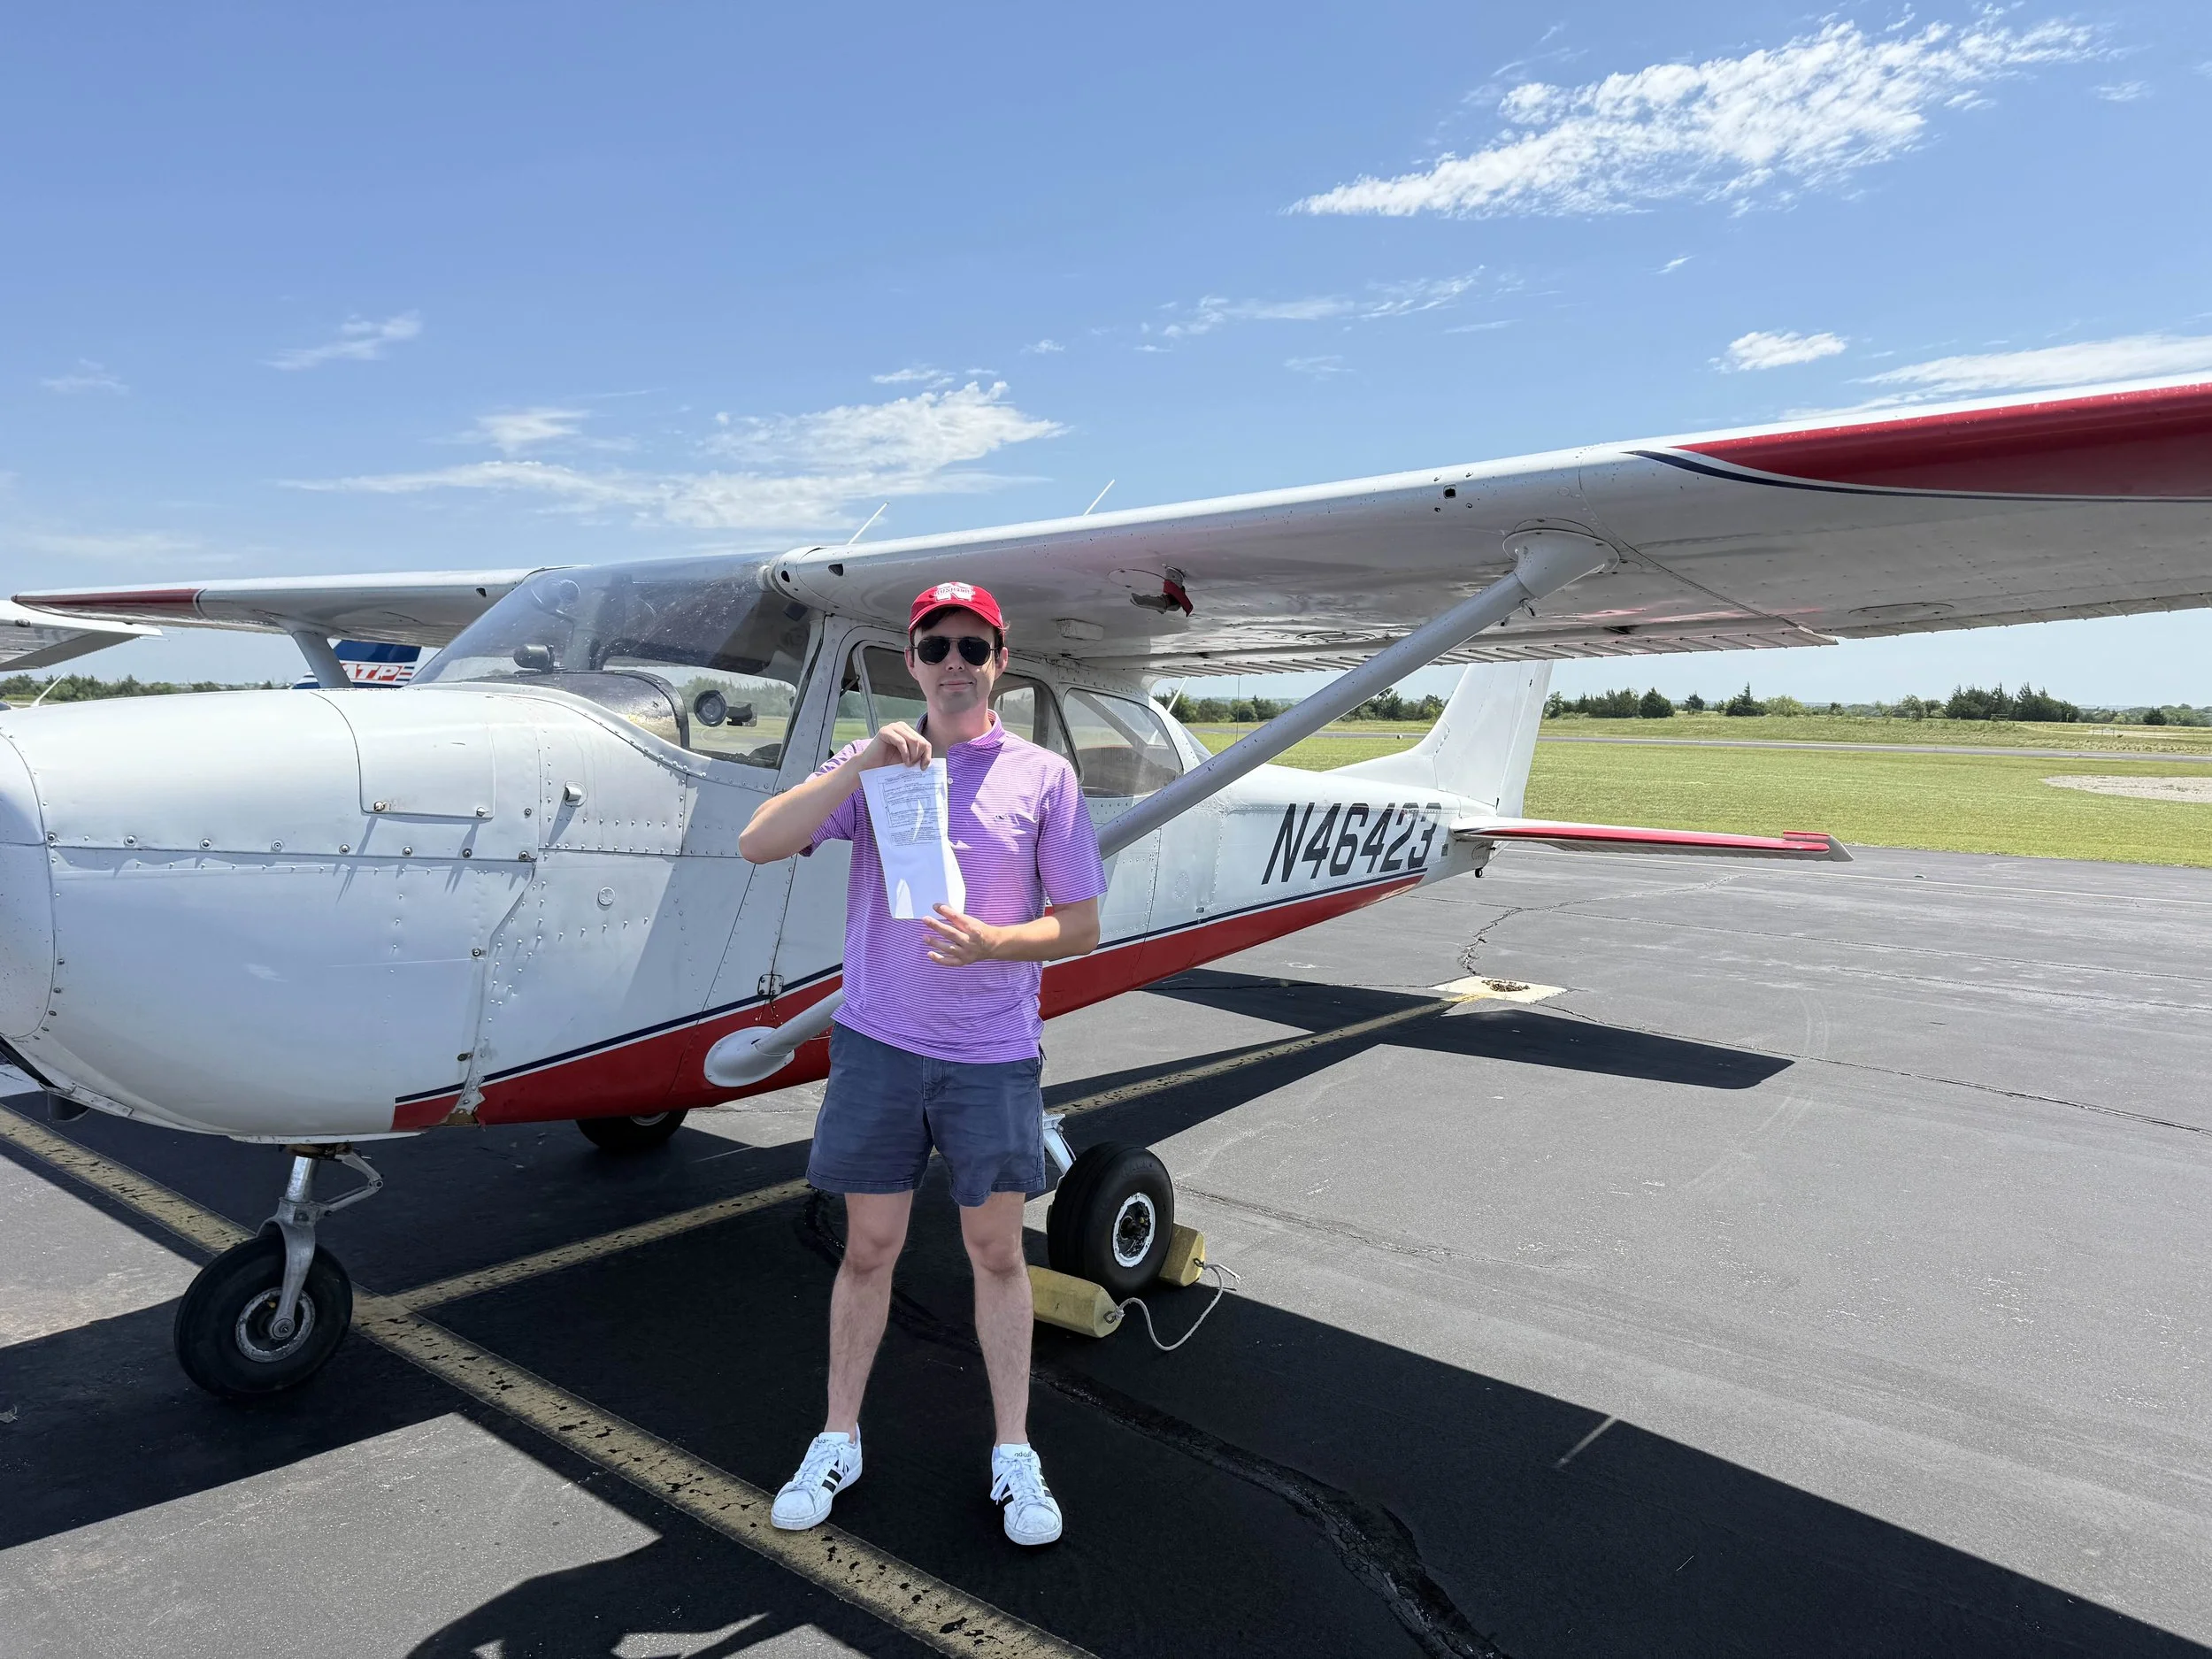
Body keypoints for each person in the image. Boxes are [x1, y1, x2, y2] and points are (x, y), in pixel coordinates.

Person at [737, 580, 1107, 1548]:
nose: (953, 664)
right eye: (934, 646)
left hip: (990, 1058)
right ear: (910, 662)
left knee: (995, 1254)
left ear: (999, 660)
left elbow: (1080, 924)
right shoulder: (877, 768)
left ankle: (1014, 1451)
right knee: (868, 1250)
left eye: (971, 648)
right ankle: (837, 1435)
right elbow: (758, 841)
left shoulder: (1042, 778)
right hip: (879, 1049)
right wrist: (855, 762)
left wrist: (995, 942)